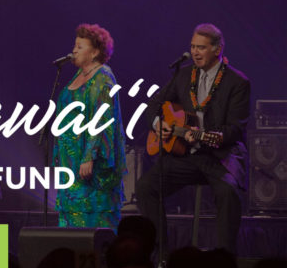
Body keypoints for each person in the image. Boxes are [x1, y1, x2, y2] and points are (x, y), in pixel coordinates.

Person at [136, 23, 250, 254]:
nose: (195, 52)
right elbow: (154, 104)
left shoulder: (237, 82)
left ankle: (225, 260)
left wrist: (206, 137)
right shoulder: (184, 74)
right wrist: (159, 124)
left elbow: (234, 129)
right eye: (193, 47)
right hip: (187, 156)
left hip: (220, 157)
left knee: (228, 194)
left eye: (201, 47)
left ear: (217, 49)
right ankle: (161, 257)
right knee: (146, 187)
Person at [53, 23, 127, 230]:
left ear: (94, 52)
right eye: (74, 46)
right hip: (71, 160)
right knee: (71, 220)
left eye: (80, 47)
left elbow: (102, 120)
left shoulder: (103, 77)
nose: (74, 50)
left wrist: (89, 156)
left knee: (93, 219)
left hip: (90, 163)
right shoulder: (80, 75)